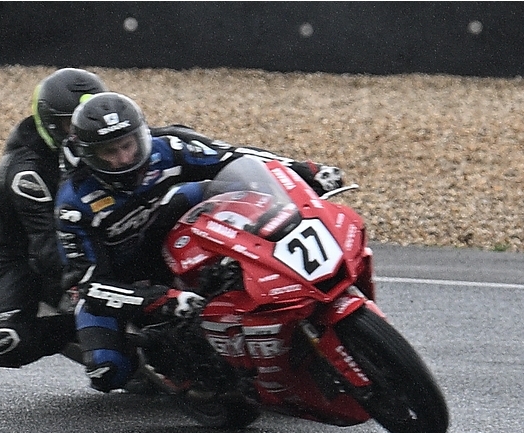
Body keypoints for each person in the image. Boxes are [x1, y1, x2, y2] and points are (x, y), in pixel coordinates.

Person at [55, 92, 345, 392]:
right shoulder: (74, 204)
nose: (125, 158)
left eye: (128, 145)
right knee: (108, 371)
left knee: (208, 189)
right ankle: (155, 359)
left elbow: (235, 156)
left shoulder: (167, 148)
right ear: (90, 155)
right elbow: (89, 287)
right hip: (126, 278)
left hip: (177, 241)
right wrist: (161, 300)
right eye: (110, 152)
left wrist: (305, 172)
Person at [0, 68, 106, 369]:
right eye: (70, 124)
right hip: (24, 254)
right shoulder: (28, 174)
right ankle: (77, 329)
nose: (80, 132)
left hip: (86, 222)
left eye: (87, 121)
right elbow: (49, 249)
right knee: (11, 344)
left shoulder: (102, 140)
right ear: (51, 123)